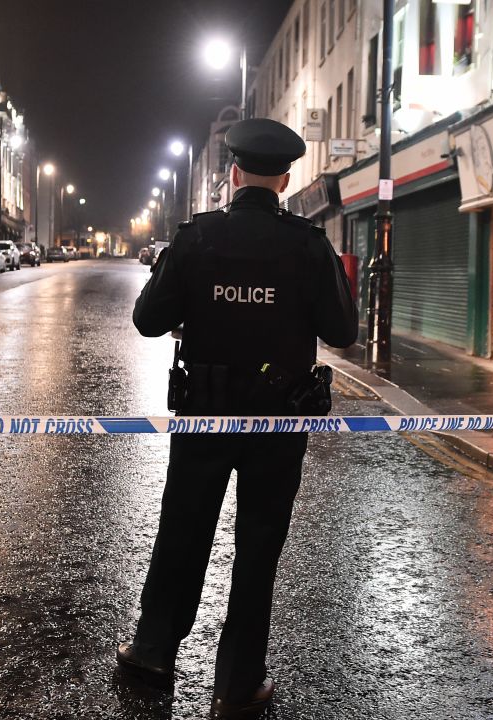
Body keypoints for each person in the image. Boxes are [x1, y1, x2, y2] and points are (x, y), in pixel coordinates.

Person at [119, 118, 358, 717]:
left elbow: (148, 318)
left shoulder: (198, 238)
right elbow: (343, 331)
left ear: (232, 173)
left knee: (184, 528)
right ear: (284, 178)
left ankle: (153, 652)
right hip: (278, 421)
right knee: (258, 544)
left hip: (206, 412)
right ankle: (240, 680)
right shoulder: (308, 245)